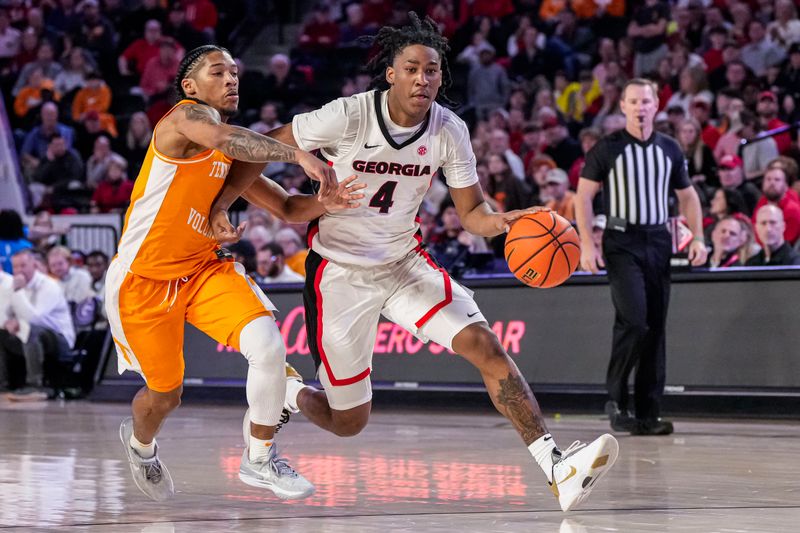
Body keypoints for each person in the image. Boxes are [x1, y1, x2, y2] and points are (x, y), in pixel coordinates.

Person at [213, 14, 618, 513]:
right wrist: (231, 203)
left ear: (440, 77)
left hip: (405, 262)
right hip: (338, 274)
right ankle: (293, 392)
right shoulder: (348, 115)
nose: (422, 79)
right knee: (349, 423)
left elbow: (471, 213)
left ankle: (556, 466)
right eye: (411, 69)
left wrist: (505, 222)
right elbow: (260, 147)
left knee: (486, 347)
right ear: (391, 73)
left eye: (431, 70)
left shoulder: (450, 130)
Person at [105, 44, 361, 503]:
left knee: (267, 344)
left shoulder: (232, 152)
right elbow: (225, 138)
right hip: (144, 280)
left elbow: (286, 207)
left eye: (235, 72)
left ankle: (260, 458)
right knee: (165, 397)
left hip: (203, 270)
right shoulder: (181, 120)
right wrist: (298, 154)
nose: (231, 79)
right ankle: (141, 445)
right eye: (218, 71)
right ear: (189, 86)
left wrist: (330, 201)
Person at [575, 78, 708, 437]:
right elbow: (583, 197)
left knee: (655, 326)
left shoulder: (669, 147)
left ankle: (648, 413)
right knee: (633, 320)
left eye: (645, 101)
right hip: (621, 240)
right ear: (622, 106)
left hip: (658, 239)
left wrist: (699, 238)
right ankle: (616, 401)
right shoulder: (607, 147)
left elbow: (689, 197)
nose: (639, 107)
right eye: (633, 101)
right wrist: (587, 244)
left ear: (655, 106)